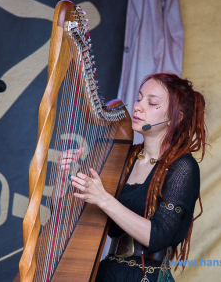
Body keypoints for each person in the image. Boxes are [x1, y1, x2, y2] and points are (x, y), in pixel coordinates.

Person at [61, 73, 207, 282]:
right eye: (139, 98)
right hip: (107, 273)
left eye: (152, 102)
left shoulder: (182, 167)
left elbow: (158, 236)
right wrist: (66, 176)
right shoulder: (124, 158)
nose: (138, 107)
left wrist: (103, 199)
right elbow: (82, 216)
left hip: (146, 276)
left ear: (176, 118)